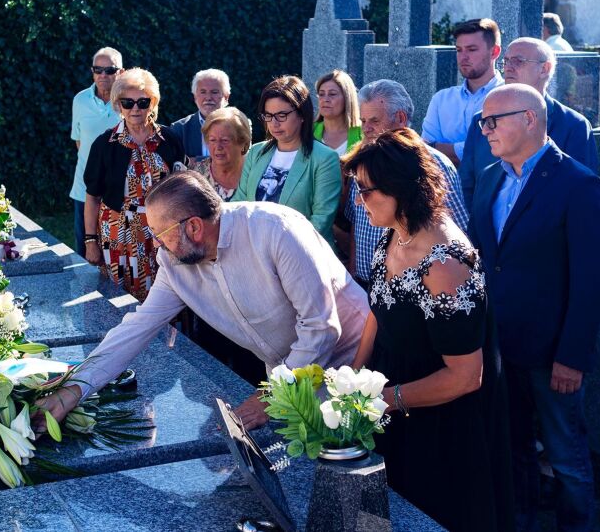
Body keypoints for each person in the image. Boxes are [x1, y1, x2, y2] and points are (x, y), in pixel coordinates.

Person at [34, 171, 370, 430]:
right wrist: (74, 388)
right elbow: (136, 328)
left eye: (159, 234)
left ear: (194, 227)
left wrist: (271, 397)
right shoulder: (175, 263)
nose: (155, 246)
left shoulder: (275, 231)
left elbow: (321, 327)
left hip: (357, 365)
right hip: (290, 381)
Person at [347, 128, 512, 531]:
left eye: (366, 190)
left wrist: (387, 399)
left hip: (439, 418)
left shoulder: (445, 265)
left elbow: (466, 377)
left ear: (400, 188)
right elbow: (379, 309)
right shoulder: (394, 233)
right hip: (391, 396)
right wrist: (352, 376)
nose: (358, 201)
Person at [469, 84, 600, 531]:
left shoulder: (580, 185)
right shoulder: (490, 177)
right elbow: (483, 257)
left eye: (493, 121)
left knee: (566, 457)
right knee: (513, 451)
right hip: (499, 346)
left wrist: (572, 357)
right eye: (482, 122)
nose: (485, 130)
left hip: (552, 355)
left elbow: (592, 283)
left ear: (529, 119)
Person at [343, 79, 469, 289]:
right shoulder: (364, 161)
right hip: (364, 285)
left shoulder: (432, 163)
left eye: (374, 120)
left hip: (417, 288)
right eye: (363, 121)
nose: (366, 128)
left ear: (400, 118)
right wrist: (354, 271)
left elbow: (458, 228)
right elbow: (357, 221)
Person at [82, 68, 185, 301]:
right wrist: (90, 241)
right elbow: (93, 196)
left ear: (153, 102)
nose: (135, 108)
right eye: (127, 103)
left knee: (162, 294)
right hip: (117, 233)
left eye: (142, 102)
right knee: (116, 299)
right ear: (119, 105)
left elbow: (180, 189)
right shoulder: (104, 144)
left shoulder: (169, 140)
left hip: (161, 232)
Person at [460, 37, 598, 208]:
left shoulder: (574, 125)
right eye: (506, 61)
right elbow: (466, 186)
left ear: (544, 69)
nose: (508, 67)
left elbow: (582, 193)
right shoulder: (481, 121)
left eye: (518, 61)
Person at [233, 76, 342, 248]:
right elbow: (239, 203)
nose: (274, 123)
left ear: (302, 115)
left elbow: (321, 220)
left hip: (303, 253)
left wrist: (281, 252)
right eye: (268, 115)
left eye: (281, 115)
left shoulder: (325, 158)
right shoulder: (256, 152)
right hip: (255, 251)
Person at [421, 18, 503, 166]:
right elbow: (425, 152)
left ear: (494, 52)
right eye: (459, 50)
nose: (463, 57)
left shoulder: (509, 97)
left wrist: (441, 149)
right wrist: (472, 149)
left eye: (472, 49)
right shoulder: (441, 99)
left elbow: (494, 153)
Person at [70, 47, 122, 253]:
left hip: (119, 192)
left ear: (121, 72)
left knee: (116, 253)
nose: (103, 75)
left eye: (109, 70)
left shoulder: (129, 101)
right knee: (84, 252)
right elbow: (79, 141)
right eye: (97, 70)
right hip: (84, 189)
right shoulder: (80, 100)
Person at [188, 106, 251, 202]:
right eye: (212, 140)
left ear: (242, 143)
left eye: (225, 140)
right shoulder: (196, 176)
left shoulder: (255, 171)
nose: (218, 147)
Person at [170, 69, 232, 160]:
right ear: (195, 97)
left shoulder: (239, 126)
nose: (208, 97)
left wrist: (195, 161)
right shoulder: (179, 129)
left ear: (226, 97)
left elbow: (242, 161)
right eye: (203, 92)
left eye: (214, 92)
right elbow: (176, 164)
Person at [313, 70, 362, 155]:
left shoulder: (363, 132)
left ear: (347, 98)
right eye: (321, 94)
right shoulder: (309, 131)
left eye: (332, 94)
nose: (325, 99)